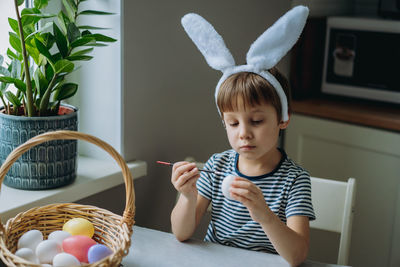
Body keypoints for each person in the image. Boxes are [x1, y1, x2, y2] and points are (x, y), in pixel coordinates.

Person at [170, 6, 315, 267]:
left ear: (283, 119)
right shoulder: (218, 165)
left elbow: (296, 256)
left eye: (256, 121)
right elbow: (181, 234)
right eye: (233, 123)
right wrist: (188, 196)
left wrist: (264, 214)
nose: (244, 133)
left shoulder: (295, 180)